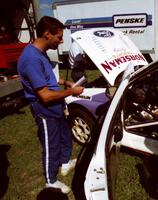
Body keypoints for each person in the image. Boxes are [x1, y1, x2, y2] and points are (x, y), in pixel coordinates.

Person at [17, 16, 84, 194]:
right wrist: (72, 92)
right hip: (45, 108)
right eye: (59, 37)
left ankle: (64, 162)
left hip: (56, 105)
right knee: (51, 144)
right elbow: (45, 96)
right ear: (47, 34)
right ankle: (51, 181)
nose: (61, 41)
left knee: (64, 135)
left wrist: (64, 82)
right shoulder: (31, 58)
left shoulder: (41, 52)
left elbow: (47, 78)